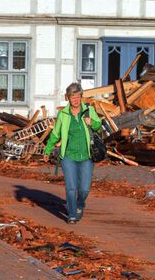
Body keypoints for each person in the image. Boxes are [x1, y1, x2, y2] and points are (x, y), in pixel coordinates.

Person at [43, 83, 102, 224]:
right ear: (68, 98)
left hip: (86, 156)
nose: (75, 99)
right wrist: (48, 149)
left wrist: (91, 122)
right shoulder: (63, 114)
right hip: (68, 156)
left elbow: (99, 125)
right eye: (72, 97)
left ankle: (80, 204)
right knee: (71, 187)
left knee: (84, 190)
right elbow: (56, 133)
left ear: (81, 96)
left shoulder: (89, 110)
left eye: (77, 96)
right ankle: (72, 213)